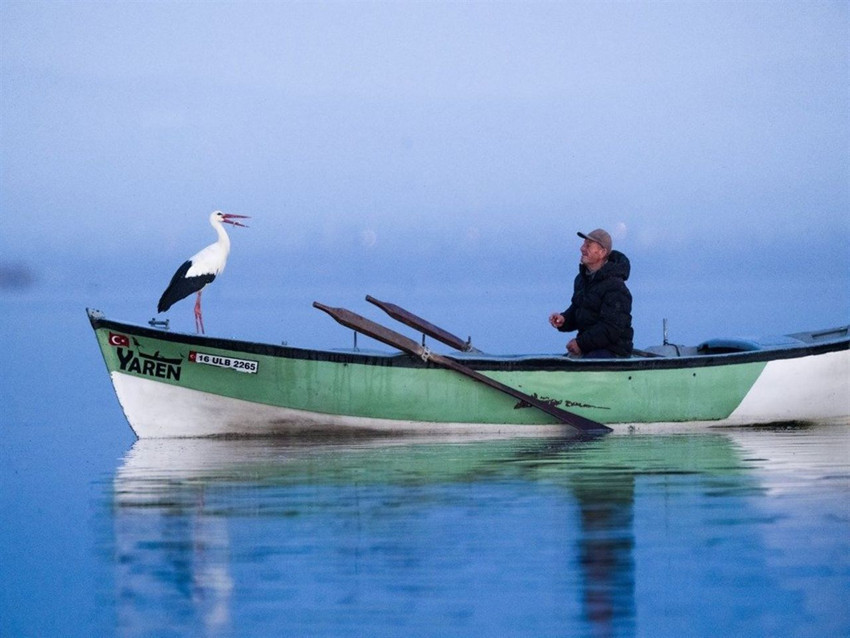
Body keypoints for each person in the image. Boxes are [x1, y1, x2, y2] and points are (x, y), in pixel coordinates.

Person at [549, 228, 633, 358]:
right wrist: (564, 319)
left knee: (585, 364)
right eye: (583, 244)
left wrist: (580, 344)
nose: (582, 248)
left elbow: (611, 328)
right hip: (589, 348)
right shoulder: (581, 280)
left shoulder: (616, 287)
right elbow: (579, 309)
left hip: (613, 351)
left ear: (602, 252)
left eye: (588, 245)